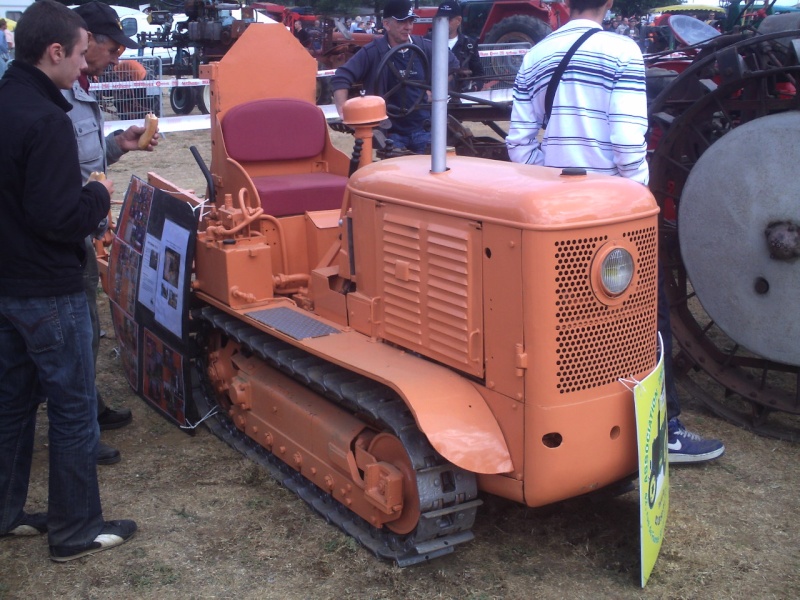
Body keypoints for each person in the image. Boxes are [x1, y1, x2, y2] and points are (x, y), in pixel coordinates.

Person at [506, 0, 725, 464]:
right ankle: (664, 430)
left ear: (565, 5)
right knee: (647, 317)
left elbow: (520, 139)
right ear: (607, 4)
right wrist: (633, 195)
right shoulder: (620, 50)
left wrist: (548, 185)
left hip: (558, 212)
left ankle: (586, 425)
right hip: (610, 213)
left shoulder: (535, 54)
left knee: (573, 323)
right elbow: (628, 138)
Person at [0, 0, 136, 560]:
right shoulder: (47, 120)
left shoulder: (8, 101)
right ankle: (76, 528)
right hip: (48, 288)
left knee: (11, 402)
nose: (85, 65)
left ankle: (7, 513)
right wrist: (98, 195)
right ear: (54, 51)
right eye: (81, 54)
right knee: (74, 406)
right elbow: (59, 219)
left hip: (8, 281)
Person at [63, 1, 159, 466]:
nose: (118, 56)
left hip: (77, 223)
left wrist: (119, 144)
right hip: (62, 229)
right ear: (87, 40)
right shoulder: (56, 94)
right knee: (74, 332)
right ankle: (79, 425)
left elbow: (84, 158)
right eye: (113, 46)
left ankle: (86, 408)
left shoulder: (77, 88)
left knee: (84, 328)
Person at [331, 0, 459, 154]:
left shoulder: (424, 47)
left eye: (411, 21)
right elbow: (341, 77)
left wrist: (435, 91)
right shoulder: (372, 52)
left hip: (423, 129)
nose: (408, 27)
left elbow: (452, 66)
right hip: (390, 132)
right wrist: (344, 112)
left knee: (433, 169)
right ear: (386, 24)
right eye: (402, 22)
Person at [428, 0, 484, 93]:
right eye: (440, 18)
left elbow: (479, 74)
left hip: (461, 101)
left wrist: (474, 87)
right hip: (432, 102)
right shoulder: (427, 41)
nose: (443, 22)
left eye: (448, 19)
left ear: (459, 20)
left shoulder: (469, 44)